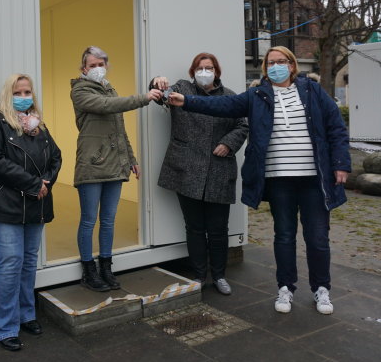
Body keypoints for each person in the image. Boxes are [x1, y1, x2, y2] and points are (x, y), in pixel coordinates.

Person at [167, 46, 350, 314]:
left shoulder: (312, 91)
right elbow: (222, 105)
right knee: (284, 236)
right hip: (278, 180)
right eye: (271, 62)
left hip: (313, 179)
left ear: (291, 65)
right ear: (265, 68)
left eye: (281, 61)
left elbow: (336, 128)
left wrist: (341, 164)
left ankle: (321, 289)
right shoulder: (257, 95)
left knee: (318, 238)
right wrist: (187, 101)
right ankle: (285, 288)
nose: (276, 66)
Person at [150, 53, 248, 295]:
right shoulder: (181, 88)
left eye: (209, 68)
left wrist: (228, 143)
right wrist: (156, 81)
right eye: (200, 68)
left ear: (217, 71)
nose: (205, 71)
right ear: (193, 71)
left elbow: (243, 124)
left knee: (218, 228)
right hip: (187, 168)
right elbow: (158, 95)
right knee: (194, 226)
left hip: (219, 168)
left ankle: (220, 275)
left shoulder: (230, 96)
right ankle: (198, 275)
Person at [0, 74, 62, 352]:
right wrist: (33, 184)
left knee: (27, 262)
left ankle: (26, 315)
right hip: (5, 206)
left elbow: (56, 157)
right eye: (18, 91)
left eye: (27, 91)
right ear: (8, 95)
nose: (24, 96)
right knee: (10, 264)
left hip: (35, 204)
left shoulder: (39, 126)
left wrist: (46, 181)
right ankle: (4, 327)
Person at [71, 46, 162, 291]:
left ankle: (106, 267)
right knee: (89, 220)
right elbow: (107, 106)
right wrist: (145, 97)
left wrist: (131, 158)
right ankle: (89, 271)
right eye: (92, 65)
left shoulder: (110, 88)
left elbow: (119, 130)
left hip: (115, 164)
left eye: (101, 64)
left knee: (109, 220)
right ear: (83, 69)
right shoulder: (80, 90)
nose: (97, 68)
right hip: (92, 164)